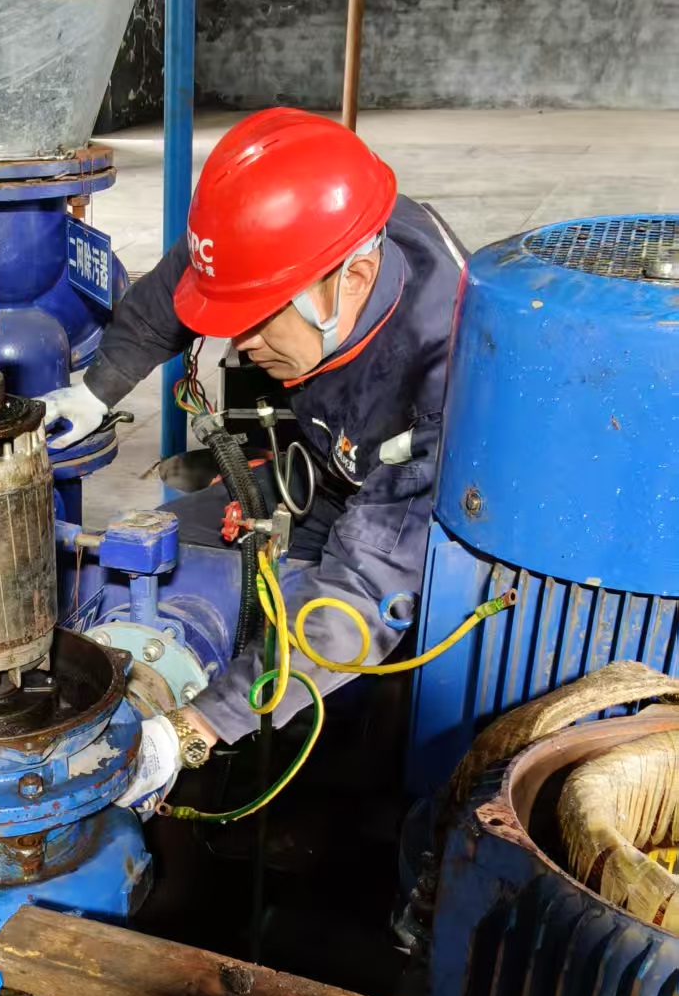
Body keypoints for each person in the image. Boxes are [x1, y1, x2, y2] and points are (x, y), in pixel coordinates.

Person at [42, 107, 466, 807]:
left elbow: (360, 596)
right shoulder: (299, 234)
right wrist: (97, 388)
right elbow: (175, 292)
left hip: (408, 519)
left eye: (259, 318)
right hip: (325, 463)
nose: (239, 347)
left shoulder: (445, 384)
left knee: (349, 663)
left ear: (355, 278)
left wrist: (195, 726)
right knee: (154, 549)